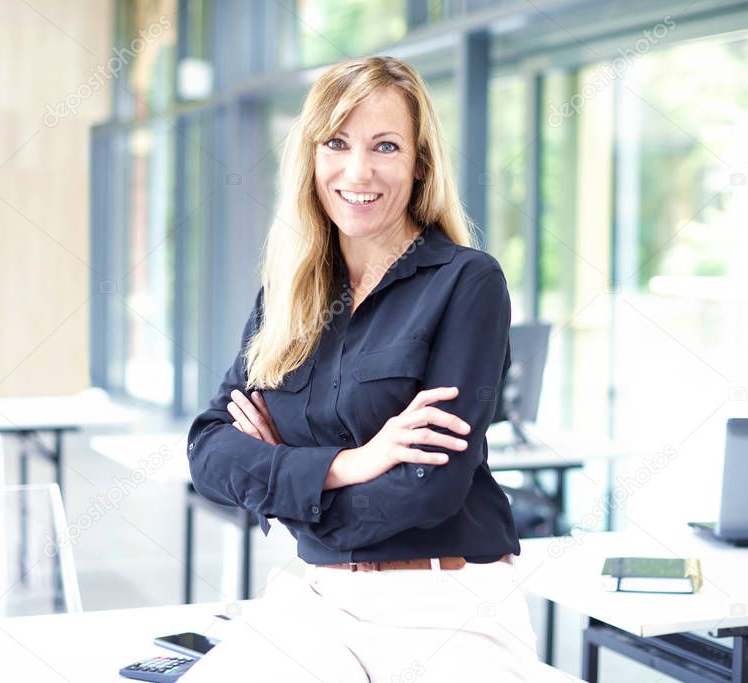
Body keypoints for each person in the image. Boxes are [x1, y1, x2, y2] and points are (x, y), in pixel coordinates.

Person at [185, 55, 563, 681]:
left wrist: (285, 490)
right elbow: (208, 451)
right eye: (337, 142)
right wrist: (348, 465)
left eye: (385, 146)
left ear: (419, 164)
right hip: (320, 596)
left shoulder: (468, 282)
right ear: (311, 158)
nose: (357, 171)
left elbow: (429, 488)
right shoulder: (287, 291)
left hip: (444, 605)